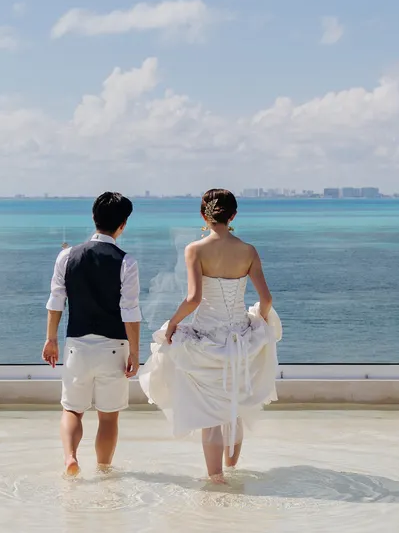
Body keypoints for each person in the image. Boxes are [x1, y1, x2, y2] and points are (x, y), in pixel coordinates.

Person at [139, 188, 280, 484]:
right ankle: (231, 467)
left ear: (204, 215)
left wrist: (173, 324)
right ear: (233, 215)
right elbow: (266, 299)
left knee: (210, 411)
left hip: (206, 339)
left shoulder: (195, 249)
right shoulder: (249, 251)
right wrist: (259, 323)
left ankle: (215, 478)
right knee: (235, 407)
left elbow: (193, 299)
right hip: (241, 338)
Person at [43, 192, 141, 476]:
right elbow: (130, 311)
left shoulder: (67, 256)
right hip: (114, 347)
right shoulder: (126, 261)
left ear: (93, 218)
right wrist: (134, 352)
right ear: (122, 225)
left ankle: (71, 457)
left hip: (77, 346)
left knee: (72, 410)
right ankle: (104, 470)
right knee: (109, 418)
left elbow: (56, 301)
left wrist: (51, 339)